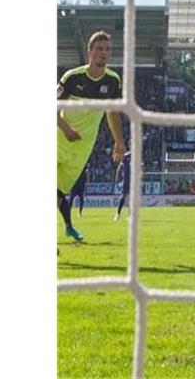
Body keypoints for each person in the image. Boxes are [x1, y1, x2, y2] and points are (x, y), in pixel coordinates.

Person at [57, 30, 126, 243]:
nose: (103, 53)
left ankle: (68, 227)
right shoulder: (72, 77)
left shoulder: (113, 81)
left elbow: (111, 112)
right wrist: (66, 128)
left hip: (82, 147)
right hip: (58, 138)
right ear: (89, 52)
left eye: (107, 49)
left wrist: (119, 141)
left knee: (58, 194)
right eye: (98, 49)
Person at [114, 149, 132, 221]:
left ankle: (130, 216)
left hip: (134, 180)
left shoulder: (137, 156)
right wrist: (117, 177)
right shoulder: (126, 156)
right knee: (123, 196)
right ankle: (118, 214)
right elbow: (120, 167)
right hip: (126, 179)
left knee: (132, 198)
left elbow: (141, 167)